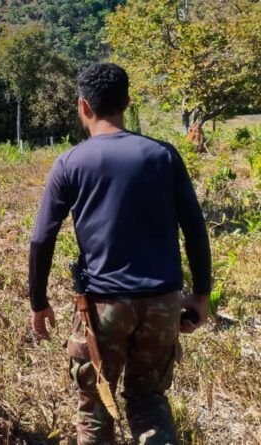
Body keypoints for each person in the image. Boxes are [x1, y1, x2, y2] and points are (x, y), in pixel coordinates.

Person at [28, 63, 212, 445]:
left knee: (95, 407)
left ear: (83, 106)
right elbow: (195, 228)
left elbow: (42, 238)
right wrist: (201, 294)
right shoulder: (163, 155)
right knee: (148, 400)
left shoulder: (70, 163)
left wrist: (38, 301)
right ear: (127, 102)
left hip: (102, 307)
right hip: (162, 302)